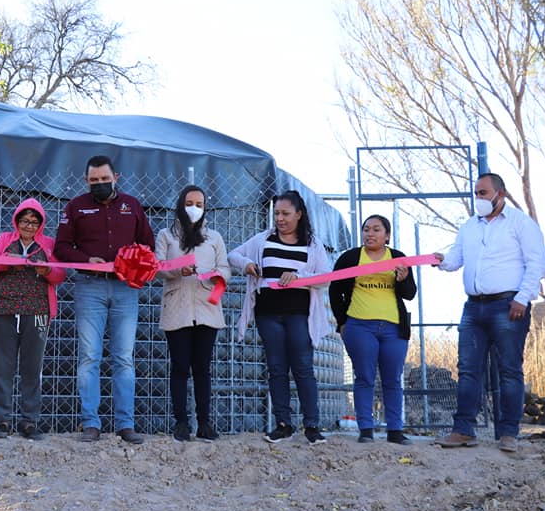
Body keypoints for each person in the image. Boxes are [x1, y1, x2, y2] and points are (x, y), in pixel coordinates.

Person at [433, 172, 545, 453]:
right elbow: (456, 259)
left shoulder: (521, 224)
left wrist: (522, 298)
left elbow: (537, 262)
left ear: (501, 193)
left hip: (507, 306)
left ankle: (508, 432)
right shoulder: (469, 227)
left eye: (483, 193)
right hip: (473, 307)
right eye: (476, 193)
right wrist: (441, 261)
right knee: (468, 369)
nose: (479, 199)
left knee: (509, 369)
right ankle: (463, 430)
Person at [54, 155, 155, 444]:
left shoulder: (132, 205)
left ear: (116, 177)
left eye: (104, 179)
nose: (99, 184)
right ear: (86, 181)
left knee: (123, 358)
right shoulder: (75, 207)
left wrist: (134, 263)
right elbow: (62, 247)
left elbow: (147, 244)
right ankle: (91, 424)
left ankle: (125, 425)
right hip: (89, 287)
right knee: (89, 357)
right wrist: (87, 260)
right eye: (94, 180)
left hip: (125, 290)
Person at [228, 189, 331, 444]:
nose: (280, 218)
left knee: (303, 367)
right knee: (276, 368)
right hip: (268, 313)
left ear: (299, 214)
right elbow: (233, 255)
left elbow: (325, 277)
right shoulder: (264, 239)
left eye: (285, 213)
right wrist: (247, 265)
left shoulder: (313, 244)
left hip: (299, 314)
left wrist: (299, 278)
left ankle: (312, 426)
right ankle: (283, 423)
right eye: (276, 213)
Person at [329, 215, 417, 445]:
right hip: (359, 326)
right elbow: (334, 290)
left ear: (387, 235)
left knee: (392, 379)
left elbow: (410, 293)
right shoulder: (350, 258)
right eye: (366, 229)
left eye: (376, 229)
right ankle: (366, 429)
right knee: (364, 377)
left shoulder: (398, 258)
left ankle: (395, 431)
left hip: (393, 328)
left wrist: (404, 278)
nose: (370, 234)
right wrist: (342, 322)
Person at [0, 198, 66, 440]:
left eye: (34, 221)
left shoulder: (48, 245)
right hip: (3, 308)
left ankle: (29, 421)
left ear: (41, 223)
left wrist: (47, 270)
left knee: (32, 367)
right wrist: (7, 263)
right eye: (24, 220)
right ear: (16, 221)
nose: (29, 225)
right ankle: (2, 420)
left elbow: (61, 275)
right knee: (3, 366)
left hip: (38, 311)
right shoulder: (5, 239)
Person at [155, 185, 231, 442]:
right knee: (179, 366)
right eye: (190, 202)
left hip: (207, 308)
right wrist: (179, 270)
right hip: (177, 307)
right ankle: (181, 422)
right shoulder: (166, 235)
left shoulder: (215, 237)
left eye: (199, 204)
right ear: (180, 204)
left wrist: (218, 277)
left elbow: (225, 267)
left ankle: (204, 422)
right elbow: (159, 266)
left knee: (202, 368)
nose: (194, 208)